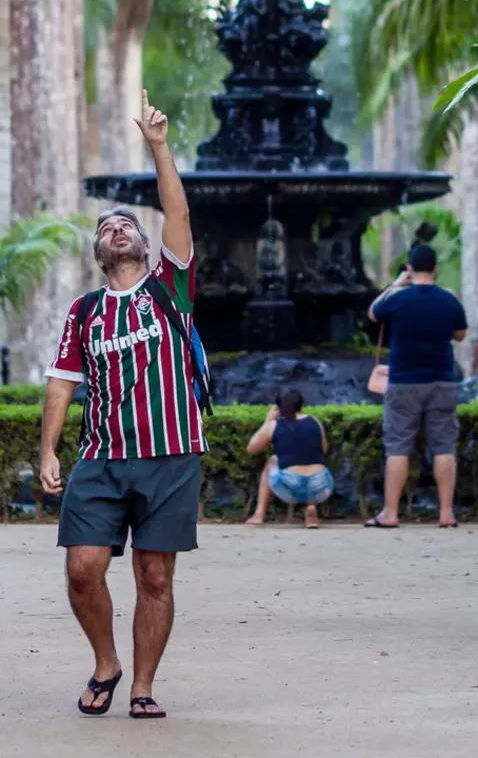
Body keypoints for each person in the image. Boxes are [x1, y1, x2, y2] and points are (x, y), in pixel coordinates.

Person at [39, 91, 203, 720]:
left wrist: (159, 146)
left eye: (127, 224)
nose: (119, 228)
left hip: (171, 454)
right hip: (102, 459)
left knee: (154, 577)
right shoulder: (84, 311)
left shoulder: (170, 289)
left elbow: (176, 213)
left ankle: (142, 685)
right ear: (100, 253)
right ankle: (106, 662)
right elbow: (61, 382)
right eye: (107, 228)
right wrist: (49, 448)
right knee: (83, 569)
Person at [364, 243, 468, 529]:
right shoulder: (449, 299)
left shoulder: (398, 298)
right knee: (444, 446)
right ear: (436, 269)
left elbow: (373, 313)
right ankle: (446, 513)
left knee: (398, 447)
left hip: (403, 383)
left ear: (409, 268)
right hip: (441, 380)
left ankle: (390, 513)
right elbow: (460, 335)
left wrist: (397, 283)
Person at [243, 389, 332, 528]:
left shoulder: (275, 425)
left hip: (289, 489)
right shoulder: (314, 421)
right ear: (301, 404)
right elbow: (324, 450)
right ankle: (310, 507)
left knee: (272, 460)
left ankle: (259, 514)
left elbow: (251, 449)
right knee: (312, 462)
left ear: (278, 407)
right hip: (321, 489)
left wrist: (268, 420)